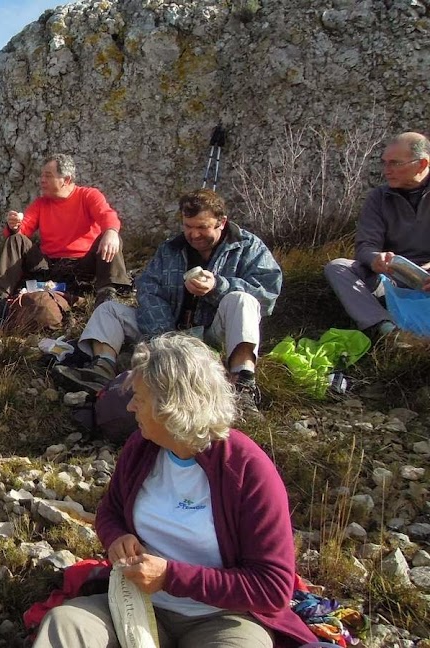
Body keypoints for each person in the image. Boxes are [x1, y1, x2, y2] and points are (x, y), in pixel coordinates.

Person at [34, 334, 316, 648]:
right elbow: (110, 511)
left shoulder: (248, 469)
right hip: (137, 603)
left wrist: (170, 577)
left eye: (139, 398)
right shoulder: (141, 447)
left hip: (224, 618)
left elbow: (272, 588)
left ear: (171, 407)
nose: (130, 406)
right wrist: (116, 537)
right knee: (66, 624)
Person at [57, 189, 281, 413]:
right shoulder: (171, 248)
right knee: (109, 310)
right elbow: (148, 288)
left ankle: (242, 380)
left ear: (222, 222)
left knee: (242, 300)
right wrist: (164, 336)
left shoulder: (248, 247)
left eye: (202, 227)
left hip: (214, 334)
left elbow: (267, 294)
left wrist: (218, 287)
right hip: (166, 331)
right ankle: (101, 369)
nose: (193, 235)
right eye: (188, 226)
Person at [0, 154, 132, 305]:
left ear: (66, 180)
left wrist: (111, 232)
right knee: (15, 238)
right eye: (42, 176)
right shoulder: (41, 203)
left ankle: (107, 295)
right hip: (47, 268)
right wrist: (14, 226)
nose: (42, 180)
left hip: (82, 267)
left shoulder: (88, 195)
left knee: (110, 236)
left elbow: (106, 214)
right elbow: (23, 229)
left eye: (48, 176)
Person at [325, 131, 430, 338]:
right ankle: (387, 331)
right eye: (385, 163)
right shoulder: (379, 198)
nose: (387, 171)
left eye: (395, 163)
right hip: (392, 280)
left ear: (422, 164)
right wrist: (376, 260)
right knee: (337, 267)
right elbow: (365, 246)